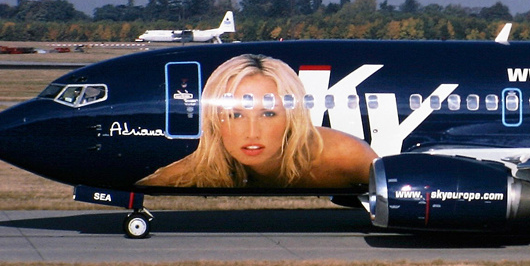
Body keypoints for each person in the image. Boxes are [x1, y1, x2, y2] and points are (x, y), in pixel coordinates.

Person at [138, 54, 377, 189]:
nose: (252, 133)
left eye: (268, 113)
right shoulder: (181, 176)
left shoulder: (344, 155)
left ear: (292, 117)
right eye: (236, 115)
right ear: (214, 121)